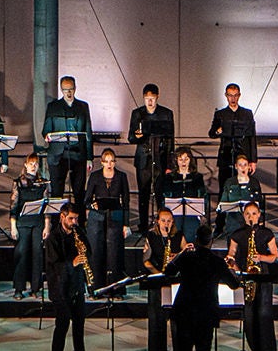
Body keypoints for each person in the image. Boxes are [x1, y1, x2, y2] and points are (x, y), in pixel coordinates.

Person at [163, 223, 228, 351]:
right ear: (211, 241)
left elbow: (168, 271)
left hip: (184, 314)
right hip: (205, 316)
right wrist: (228, 266)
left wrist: (183, 253)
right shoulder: (216, 261)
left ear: (196, 239)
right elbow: (234, 283)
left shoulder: (187, 258)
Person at [225, 198, 278, 351]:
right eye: (247, 214)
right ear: (243, 215)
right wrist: (231, 263)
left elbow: (275, 257)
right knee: (249, 316)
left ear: (259, 215)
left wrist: (261, 257)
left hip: (263, 277)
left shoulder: (266, 233)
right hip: (247, 276)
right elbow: (231, 255)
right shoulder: (237, 235)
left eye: (254, 214)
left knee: (264, 315)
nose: (251, 217)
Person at [44, 204, 94, 351]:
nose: (74, 222)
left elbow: (89, 251)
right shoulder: (53, 238)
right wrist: (72, 263)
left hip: (76, 284)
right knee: (63, 323)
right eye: (71, 218)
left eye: (76, 218)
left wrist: (84, 253)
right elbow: (54, 264)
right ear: (62, 217)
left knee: (79, 321)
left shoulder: (78, 232)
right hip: (59, 287)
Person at [128, 84, 175, 236]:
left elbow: (170, 140)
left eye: (152, 99)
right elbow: (130, 137)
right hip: (144, 159)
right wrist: (137, 136)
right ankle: (143, 225)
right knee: (143, 193)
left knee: (160, 193)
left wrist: (169, 163)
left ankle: (162, 225)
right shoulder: (137, 114)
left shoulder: (166, 114)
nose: (150, 102)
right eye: (147, 99)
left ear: (157, 97)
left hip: (160, 158)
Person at [140, 207, 184, 351]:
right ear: (157, 221)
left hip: (174, 280)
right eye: (163, 220)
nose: (167, 223)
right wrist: (158, 272)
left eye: (169, 221)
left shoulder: (178, 236)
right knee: (156, 317)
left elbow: (185, 253)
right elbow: (146, 260)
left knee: (178, 318)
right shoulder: (151, 236)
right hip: (157, 279)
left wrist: (177, 257)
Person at [42, 75, 93, 208]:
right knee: (57, 191)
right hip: (58, 155)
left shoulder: (82, 106)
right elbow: (46, 130)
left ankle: (80, 224)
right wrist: (47, 136)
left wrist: (89, 158)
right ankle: (56, 224)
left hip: (77, 153)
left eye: (70, 89)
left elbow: (88, 132)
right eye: (65, 90)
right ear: (61, 90)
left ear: (75, 89)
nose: (68, 93)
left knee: (79, 191)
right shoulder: (53, 106)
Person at [83, 147, 131, 286]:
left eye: (112, 161)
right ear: (102, 162)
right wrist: (93, 205)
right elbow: (86, 200)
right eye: (106, 161)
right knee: (96, 252)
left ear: (115, 162)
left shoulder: (122, 176)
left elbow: (126, 201)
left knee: (114, 254)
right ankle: (96, 287)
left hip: (115, 217)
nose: (109, 164)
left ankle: (116, 288)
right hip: (97, 218)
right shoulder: (95, 176)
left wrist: (126, 224)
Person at [10, 152, 49, 297]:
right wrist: (13, 226)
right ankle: (19, 288)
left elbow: (46, 207)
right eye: (31, 163)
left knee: (37, 255)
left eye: (36, 164)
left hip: (37, 223)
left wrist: (47, 225)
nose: (33, 166)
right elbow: (13, 207)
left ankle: (35, 288)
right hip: (23, 223)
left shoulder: (43, 183)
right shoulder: (18, 183)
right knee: (21, 255)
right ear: (26, 165)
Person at [208, 82, 257, 190]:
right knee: (225, 184)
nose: (233, 98)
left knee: (243, 184)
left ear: (239, 95)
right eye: (230, 95)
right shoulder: (220, 114)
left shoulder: (247, 113)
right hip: (226, 154)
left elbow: (252, 137)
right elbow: (211, 133)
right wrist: (217, 131)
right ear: (226, 96)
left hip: (243, 154)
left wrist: (253, 160)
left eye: (235, 95)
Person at [158, 145, 208, 240]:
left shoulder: (197, 177)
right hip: (174, 214)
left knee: (190, 236)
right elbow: (165, 196)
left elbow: (202, 195)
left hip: (192, 213)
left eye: (186, 159)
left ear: (190, 160)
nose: (184, 162)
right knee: (174, 237)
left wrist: (202, 213)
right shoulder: (170, 177)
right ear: (176, 161)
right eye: (181, 159)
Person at [216, 151, 264, 235]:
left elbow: (259, 202)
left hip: (250, 223)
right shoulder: (230, 182)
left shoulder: (254, 182)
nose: (243, 168)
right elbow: (223, 202)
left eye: (245, 165)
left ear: (249, 166)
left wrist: (260, 220)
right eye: (240, 165)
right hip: (233, 223)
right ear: (236, 167)